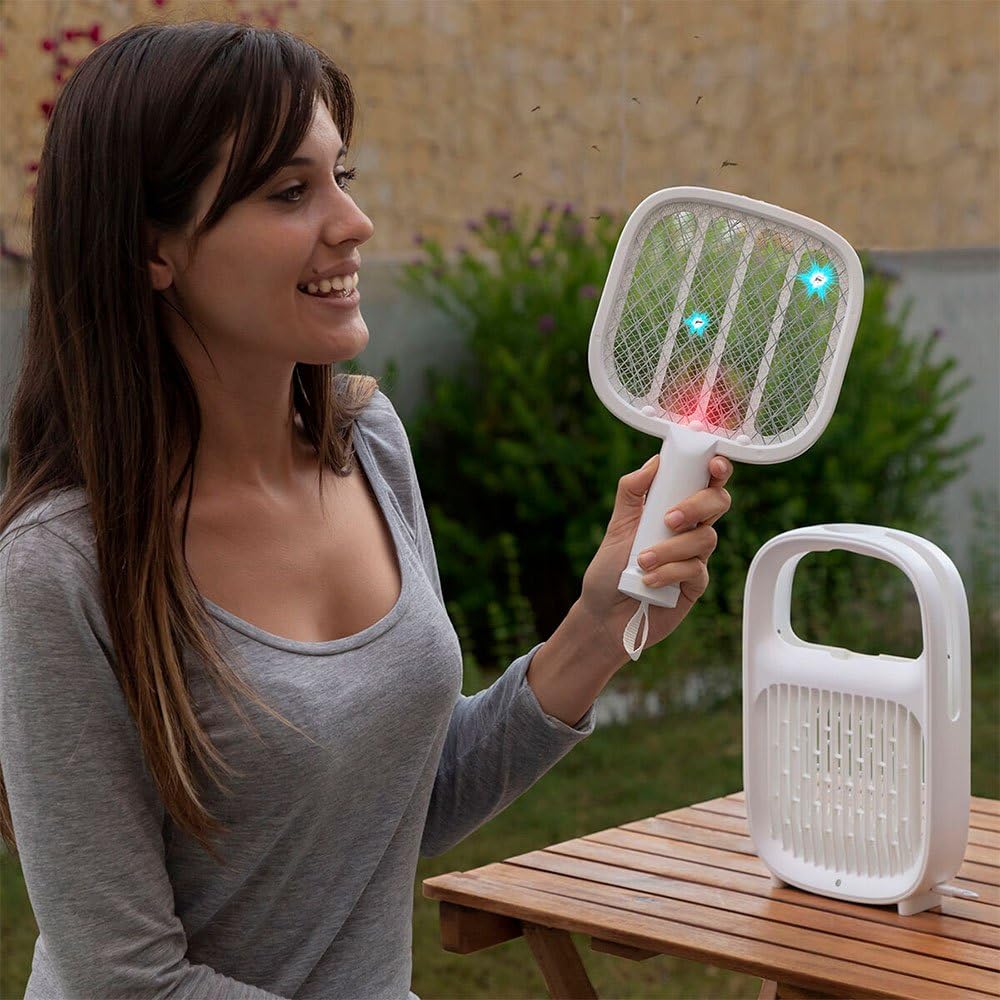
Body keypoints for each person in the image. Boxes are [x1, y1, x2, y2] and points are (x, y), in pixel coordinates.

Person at [0, 19, 732, 1000]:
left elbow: (395, 806)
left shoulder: (367, 441)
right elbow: (124, 982)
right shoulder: (60, 567)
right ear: (152, 249)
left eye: (341, 175)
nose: (353, 222)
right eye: (288, 191)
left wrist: (598, 628)